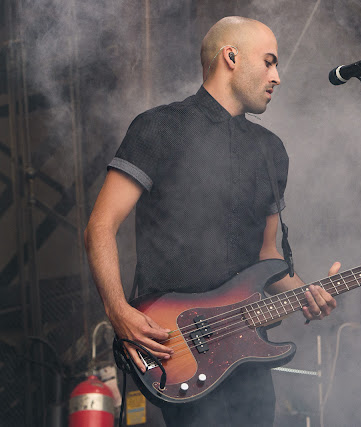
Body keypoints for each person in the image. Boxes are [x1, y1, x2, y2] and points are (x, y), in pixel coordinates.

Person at [84, 16, 339, 426]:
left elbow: (268, 256)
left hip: (249, 358)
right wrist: (117, 310)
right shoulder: (159, 127)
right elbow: (100, 225)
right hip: (180, 349)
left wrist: (309, 292)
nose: (277, 76)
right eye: (269, 62)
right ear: (231, 57)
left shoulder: (271, 151)